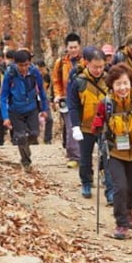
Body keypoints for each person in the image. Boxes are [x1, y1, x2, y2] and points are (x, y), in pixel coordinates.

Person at [91, 63, 132, 239]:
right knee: (120, 187)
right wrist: (96, 126)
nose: (122, 87)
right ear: (112, 85)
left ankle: (128, 210)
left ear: (131, 83)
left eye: (125, 83)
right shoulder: (106, 104)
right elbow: (97, 124)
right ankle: (121, 224)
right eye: (118, 84)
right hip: (114, 151)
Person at [67, 48, 113, 203]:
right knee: (85, 158)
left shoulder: (109, 79)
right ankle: (86, 182)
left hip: (105, 127)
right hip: (85, 127)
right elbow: (72, 105)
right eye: (95, 67)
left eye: (101, 67)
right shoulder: (78, 81)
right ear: (87, 63)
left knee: (107, 158)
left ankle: (110, 190)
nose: (98, 70)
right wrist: (75, 126)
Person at [0, 50, 49, 171]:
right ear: (16, 64)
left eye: (26, 64)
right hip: (15, 110)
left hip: (31, 108)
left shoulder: (35, 72)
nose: (24, 68)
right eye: (21, 65)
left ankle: (25, 150)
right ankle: (26, 162)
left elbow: (42, 91)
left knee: (34, 133)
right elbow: (3, 96)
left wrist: (44, 109)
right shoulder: (10, 74)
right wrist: (5, 117)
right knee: (20, 136)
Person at [52, 32, 83, 167]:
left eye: (75, 47)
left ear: (79, 46)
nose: (73, 50)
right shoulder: (60, 63)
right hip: (67, 98)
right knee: (71, 127)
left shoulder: (86, 61)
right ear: (66, 48)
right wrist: (57, 95)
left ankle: (83, 154)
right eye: (70, 47)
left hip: (84, 98)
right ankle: (74, 157)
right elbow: (56, 81)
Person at [34, 60, 54, 144]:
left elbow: (51, 88)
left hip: (44, 99)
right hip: (34, 100)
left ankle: (47, 139)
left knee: (49, 119)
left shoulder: (48, 77)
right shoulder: (32, 76)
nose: (40, 72)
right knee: (33, 119)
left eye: (41, 69)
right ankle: (34, 138)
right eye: (38, 70)